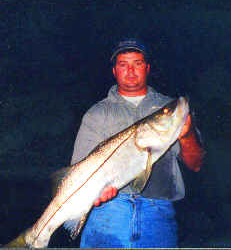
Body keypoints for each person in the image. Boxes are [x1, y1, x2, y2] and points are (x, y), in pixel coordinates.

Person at [70, 38, 205, 248]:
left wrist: (186, 134)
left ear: (147, 68)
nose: (130, 71)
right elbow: (76, 173)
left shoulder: (166, 108)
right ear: (114, 71)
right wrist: (97, 193)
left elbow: (195, 164)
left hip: (158, 214)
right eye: (123, 64)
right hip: (108, 213)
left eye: (137, 63)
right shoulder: (97, 114)